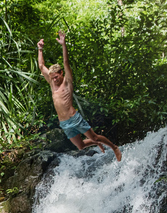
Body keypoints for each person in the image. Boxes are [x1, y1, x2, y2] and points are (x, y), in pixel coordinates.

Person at [37, 31, 122, 162]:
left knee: (95, 137)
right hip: (64, 122)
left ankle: (114, 147)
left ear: (61, 73)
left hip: (74, 117)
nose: (54, 80)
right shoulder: (52, 83)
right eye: (52, 78)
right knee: (81, 146)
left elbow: (66, 61)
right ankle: (96, 143)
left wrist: (63, 44)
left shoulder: (67, 82)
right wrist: (40, 49)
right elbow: (41, 66)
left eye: (56, 77)